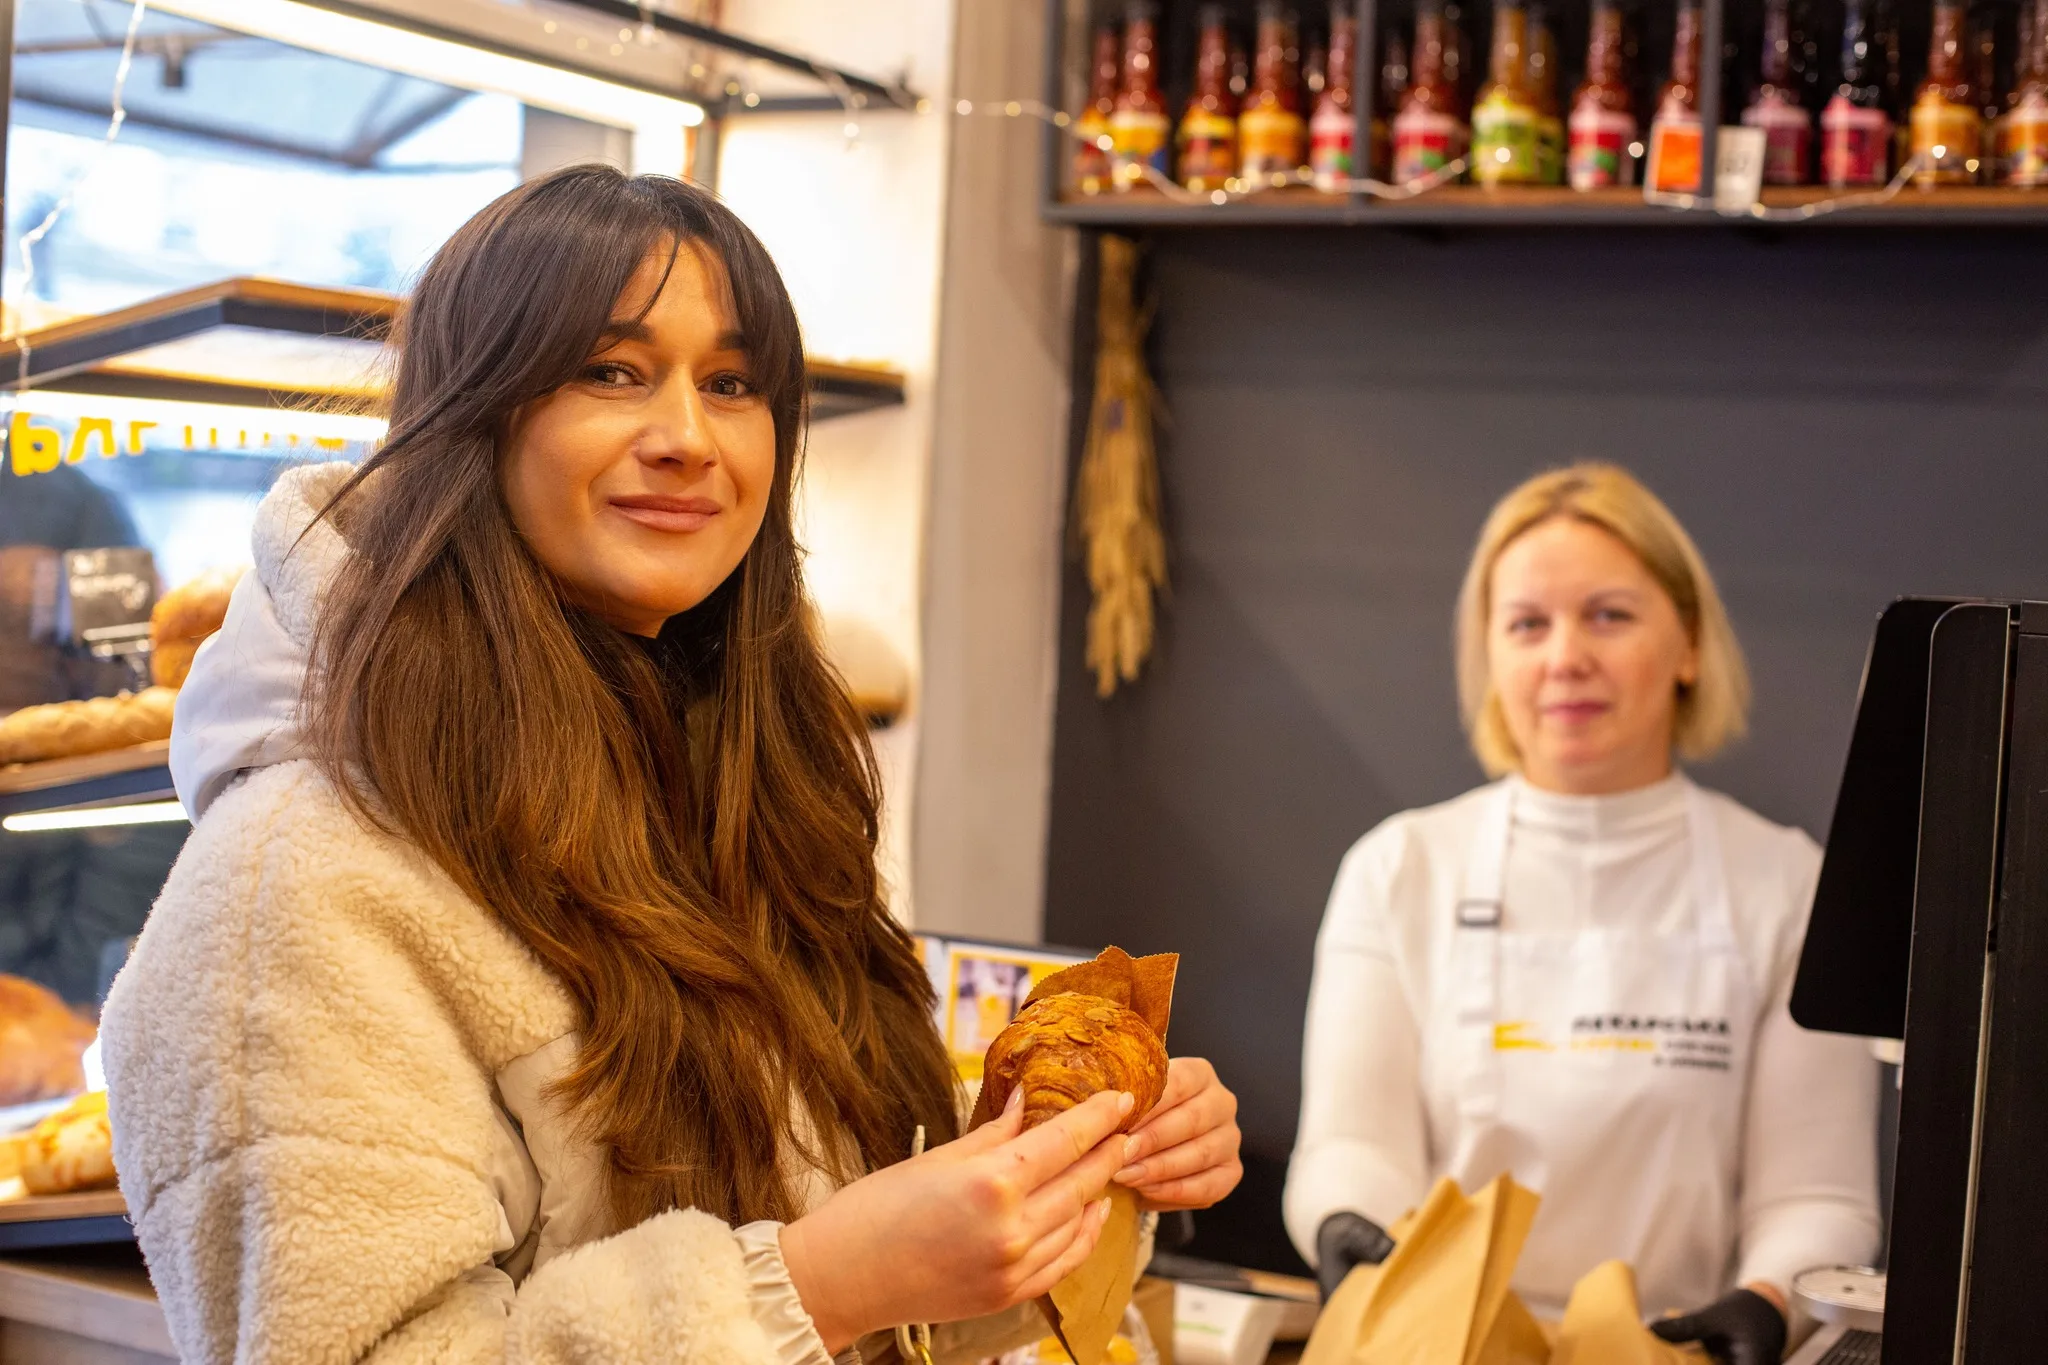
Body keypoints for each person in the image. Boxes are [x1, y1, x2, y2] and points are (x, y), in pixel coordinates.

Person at [100, 166, 1243, 1365]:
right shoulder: (297, 882)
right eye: (611, 371)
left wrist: (1049, 1184)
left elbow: (859, 1294)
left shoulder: (736, 797)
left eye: (732, 384)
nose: (687, 439)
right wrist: (823, 1282)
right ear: (471, 411)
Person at [1284, 464, 1879, 1365]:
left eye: (1609, 615)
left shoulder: (1791, 886)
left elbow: (1818, 1196)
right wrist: (1345, 1220)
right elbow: (1350, 1145)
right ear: (1491, 657)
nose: (1565, 656)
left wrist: (1767, 1303)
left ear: (1688, 645)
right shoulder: (1398, 869)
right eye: (1528, 623)